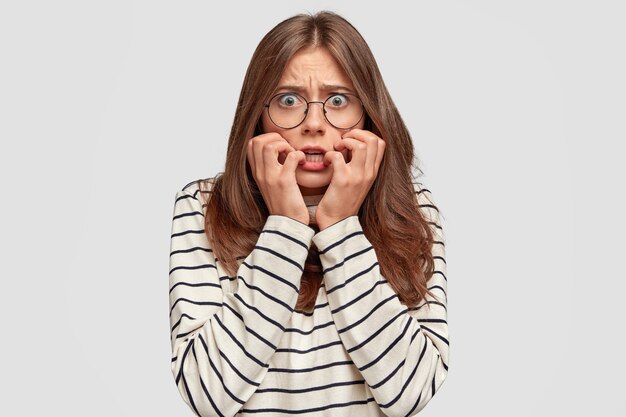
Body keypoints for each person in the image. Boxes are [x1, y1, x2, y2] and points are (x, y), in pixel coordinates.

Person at [168, 10, 449, 417]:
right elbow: (208, 397)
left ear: (368, 112)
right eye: (288, 100)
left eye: (338, 100)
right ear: (258, 115)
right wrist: (285, 227)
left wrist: (339, 227)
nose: (314, 124)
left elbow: (410, 393)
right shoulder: (204, 207)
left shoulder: (414, 210)